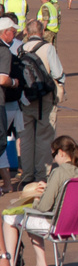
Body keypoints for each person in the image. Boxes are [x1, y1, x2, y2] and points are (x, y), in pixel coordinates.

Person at [3, 136, 78, 266]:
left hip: (57, 225)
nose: (54, 159)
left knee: (10, 217)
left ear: (61, 152)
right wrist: (49, 187)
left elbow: (43, 207)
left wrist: (36, 198)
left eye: (53, 155)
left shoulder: (59, 172)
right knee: (31, 219)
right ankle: (40, 265)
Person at [15, 20, 64, 187]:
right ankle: (42, 174)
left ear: (27, 33)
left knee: (26, 138)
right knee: (44, 136)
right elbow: (58, 74)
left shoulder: (20, 49)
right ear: (42, 32)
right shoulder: (48, 48)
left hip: (25, 98)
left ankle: (27, 174)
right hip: (45, 99)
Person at [0, 17, 20, 192]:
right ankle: (6, 183)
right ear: (5, 32)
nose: (15, 34)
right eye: (13, 31)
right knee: (0, 142)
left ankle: (6, 183)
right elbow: (2, 79)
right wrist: (14, 82)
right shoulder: (4, 51)